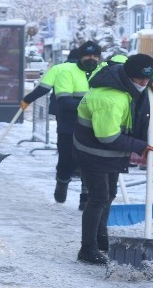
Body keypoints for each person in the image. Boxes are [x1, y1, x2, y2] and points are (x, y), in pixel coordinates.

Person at [73, 54, 153, 264]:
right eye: (140, 80)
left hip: (108, 154)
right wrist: (139, 147)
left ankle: (101, 240)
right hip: (94, 152)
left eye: (147, 79)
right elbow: (107, 136)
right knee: (98, 197)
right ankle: (87, 248)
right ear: (129, 76)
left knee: (109, 194)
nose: (144, 83)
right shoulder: (110, 99)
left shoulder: (125, 83)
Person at [53, 41, 102, 208]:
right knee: (67, 159)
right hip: (69, 123)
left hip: (93, 126)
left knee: (89, 161)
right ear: (80, 56)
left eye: (95, 56)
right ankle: (62, 182)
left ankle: (85, 196)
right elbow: (64, 100)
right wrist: (91, 108)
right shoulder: (67, 72)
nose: (92, 59)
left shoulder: (102, 72)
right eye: (88, 55)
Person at [20, 48, 79, 116]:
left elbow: (43, 89)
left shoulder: (57, 68)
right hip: (82, 110)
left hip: (60, 109)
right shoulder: (88, 70)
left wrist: (27, 100)